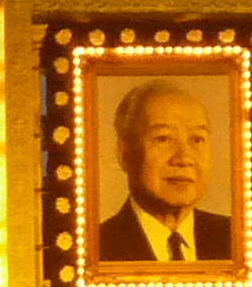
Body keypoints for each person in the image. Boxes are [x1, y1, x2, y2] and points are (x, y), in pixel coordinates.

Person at [97, 80, 235, 264]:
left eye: (197, 139)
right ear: (125, 156)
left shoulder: (236, 240)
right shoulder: (97, 248)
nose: (183, 159)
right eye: (163, 139)